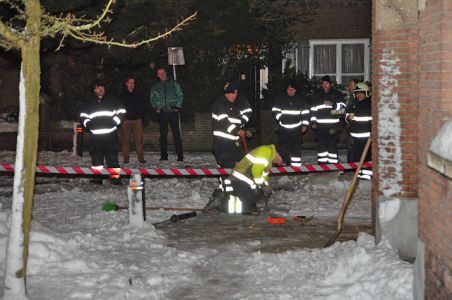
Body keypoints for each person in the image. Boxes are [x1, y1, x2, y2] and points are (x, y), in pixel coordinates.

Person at [80, 80, 125, 185]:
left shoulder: (111, 99)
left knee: (112, 157)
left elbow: (122, 111)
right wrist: (88, 124)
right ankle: (97, 178)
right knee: (96, 158)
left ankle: (115, 178)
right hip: (95, 136)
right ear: (94, 90)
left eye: (102, 87)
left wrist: (115, 122)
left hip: (110, 135)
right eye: (98, 87)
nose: (101, 89)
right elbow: (83, 115)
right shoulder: (89, 101)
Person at [220, 144, 283, 214]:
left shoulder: (269, 159)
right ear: (278, 155)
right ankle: (219, 202)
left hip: (246, 180)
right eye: (281, 161)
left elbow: (263, 175)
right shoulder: (266, 151)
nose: (279, 163)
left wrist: (266, 186)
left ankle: (224, 200)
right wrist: (263, 186)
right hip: (239, 178)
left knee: (253, 201)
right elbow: (256, 171)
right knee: (245, 208)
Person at [212, 81, 252, 168]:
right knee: (227, 167)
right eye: (233, 93)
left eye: (236, 93)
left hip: (235, 144)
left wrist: (242, 128)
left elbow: (240, 119)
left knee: (245, 164)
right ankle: (224, 180)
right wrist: (237, 131)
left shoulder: (235, 105)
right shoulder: (220, 104)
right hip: (222, 144)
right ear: (227, 94)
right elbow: (224, 122)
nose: (235, 95)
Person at [272, 80, 310, 166]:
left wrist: (305, 125)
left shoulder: (300, 99)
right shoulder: (281, 98)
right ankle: (284, 165)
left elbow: (305, 112)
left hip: (296, 128)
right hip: (283, 128)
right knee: (283, 148)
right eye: (289, 89)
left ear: (295, 90)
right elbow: (275, 109)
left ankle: (296, 166)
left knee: (296, 147)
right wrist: (280, 118)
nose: (290, 91)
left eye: (292, 89)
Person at [149, 67, 184, 161]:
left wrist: (177, 107)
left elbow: (180, 95)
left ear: (166, 73)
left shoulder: (174, 83)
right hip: (162, 113)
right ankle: (164, 156)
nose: (161, 75)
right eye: (159, 73)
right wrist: (156, 108)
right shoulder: (156, 86)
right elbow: (152, 98)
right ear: (157, 75)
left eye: (163, 73)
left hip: (173, 112)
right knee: (163, 135)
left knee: (176, 134)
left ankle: (180, 156)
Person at [310, 75, 346, 164]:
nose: (324, 85)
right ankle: (322, 166)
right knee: (321, 147)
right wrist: (313, 122)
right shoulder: (318, 95)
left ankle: (333, 166)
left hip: (333, 127)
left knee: (332, 147)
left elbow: (342, 111)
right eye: (323, 83)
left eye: (326, 83)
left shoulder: (336, 94)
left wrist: (333, 105)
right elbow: (313, 110)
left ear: (330, 84)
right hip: (320, 128)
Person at [345, 82, 372, 180]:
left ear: (366, 93)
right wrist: (347, 118)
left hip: (366, 138)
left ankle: (366, 177)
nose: (358, 95)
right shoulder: (353, 104)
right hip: (354, 138)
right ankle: (358, 175)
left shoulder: (370, 105)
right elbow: (346, 116)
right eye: (356, 93)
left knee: (366, 159)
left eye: (360, 93)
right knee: (356, 158)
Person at [119, 77, 147, 164]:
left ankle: (141, 158)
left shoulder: (138, 94)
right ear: (126, 83)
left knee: (139, 140)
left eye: (133, 83)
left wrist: (141, 117)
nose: (132, 85)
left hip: (137, 120)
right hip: (126, 121)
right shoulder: (122, 95)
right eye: (130, 83)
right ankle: (126, 159)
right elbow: (119, 108)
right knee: (125, 141)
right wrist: (122, 118)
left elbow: (143, 106)